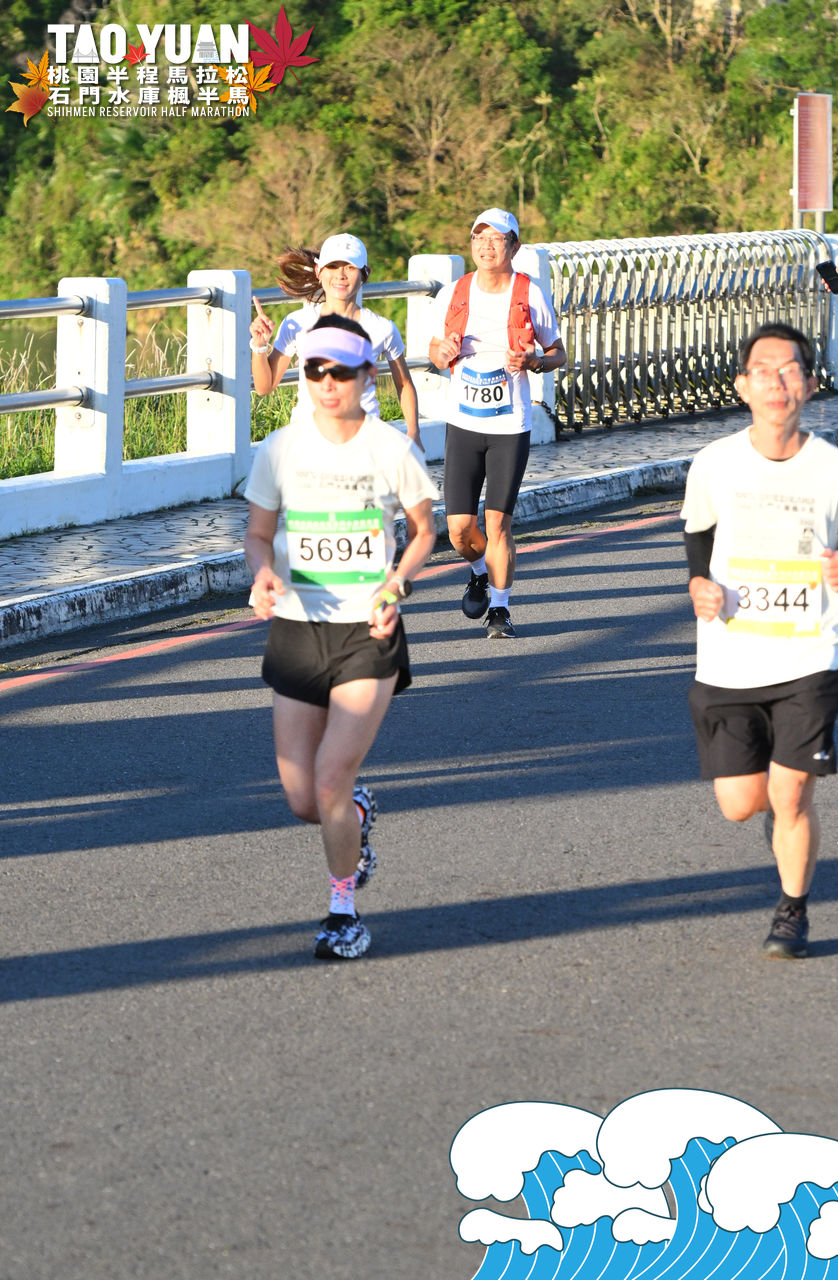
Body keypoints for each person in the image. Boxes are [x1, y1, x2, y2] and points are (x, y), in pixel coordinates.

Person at [243, 315, 438, 960]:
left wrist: (397, 583)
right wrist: (262, 572)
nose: (328, 383)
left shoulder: (391, 449)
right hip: (298, 630)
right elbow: (257, 534)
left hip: (366, 631)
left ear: (366, 375)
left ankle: (343, 911)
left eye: (341, 372)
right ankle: (353, 815)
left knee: (329, 776)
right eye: (315, 371)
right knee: (305, 799)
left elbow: (424, 531)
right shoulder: (279, 450)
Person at [682, 321, 838, 959]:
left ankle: (792, 911)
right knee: (741, 803)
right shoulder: (714, 463)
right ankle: (780, 823)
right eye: (763, 370)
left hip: (812, 650)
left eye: (790, 370)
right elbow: (698, 534)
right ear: (742, 386)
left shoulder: (837, 470)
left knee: (791, 792)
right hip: (731, 657)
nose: (777, 382)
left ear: (809, 384)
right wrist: (698, 583)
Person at [428, 208, 566, 638]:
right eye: (479, 238)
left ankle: (501, 610)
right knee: (458, 529)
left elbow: (558, 353)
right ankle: (479, 572)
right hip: (463, 421)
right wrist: (442, 353)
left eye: (496, 239)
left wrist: (535, 361)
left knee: (497, 523)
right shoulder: (454, 293)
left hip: (510, 424)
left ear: (514, 246)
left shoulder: (529, 293)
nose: (486, 246)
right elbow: (434, 350)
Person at [249, 232, 423, 452]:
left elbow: (404, 384)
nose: (340, 275)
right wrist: (259, 346)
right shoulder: (297, 322)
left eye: (350, 267)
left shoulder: (382, 327)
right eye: (332, 266)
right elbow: (264, 387)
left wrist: (413, 432)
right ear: (318, 271)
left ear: (365, 274)